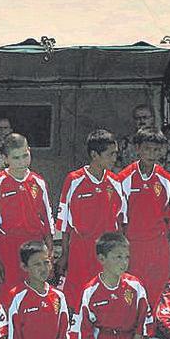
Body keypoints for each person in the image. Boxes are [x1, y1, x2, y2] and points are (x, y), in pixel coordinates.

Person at [78, 232, 153, 339]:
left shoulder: (136, 286)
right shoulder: (90, 291)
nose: (124, 262)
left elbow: (142, 328)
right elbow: (87, 337)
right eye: (118, 257)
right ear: (102, 259)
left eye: (126, 257)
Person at [56, 129, 123, 314]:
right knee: (78, 301)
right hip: (81, 251)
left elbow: (121, 222)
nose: (114, 159)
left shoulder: (116, 182)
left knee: (105, 302)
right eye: (110, 154)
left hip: (107, 254)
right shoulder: (74, 180)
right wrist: (64, 254)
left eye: (115, 154)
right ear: (94, 155)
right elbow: (64, 222)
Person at [0, 133, 54, 297]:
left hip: (34, 248)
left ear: (29, 151)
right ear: (6, 159)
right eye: (16, 158)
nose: (22, 162)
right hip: (7, 250)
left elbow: (48, 221)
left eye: (25, 156)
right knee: (6, 298)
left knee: (33, 297)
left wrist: (49, 251)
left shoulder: (39, 182)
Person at [115, 127, 170, 297]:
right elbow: (119, 219)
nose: (151, 154)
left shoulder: (165, 179)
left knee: (157, 293)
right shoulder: (123, 178)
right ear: (137, 148)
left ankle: (154, 324)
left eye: (156, 150)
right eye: (147, 149)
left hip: (158, 247)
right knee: (132, 293)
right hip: (133, 246)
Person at [117, 104, 170, 169]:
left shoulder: (164, 142)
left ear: (153, 119)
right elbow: (117, 167)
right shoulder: (125, 143)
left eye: (145, 117)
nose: (141, 121)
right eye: (138, 118)